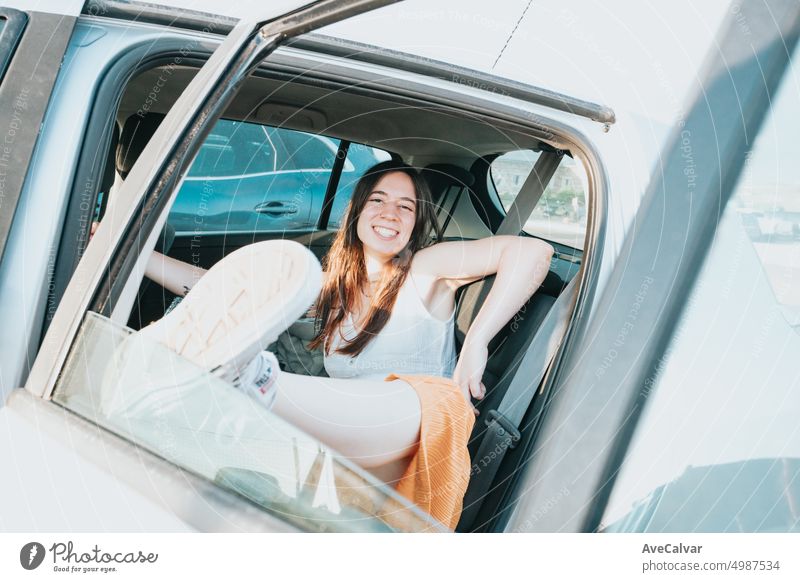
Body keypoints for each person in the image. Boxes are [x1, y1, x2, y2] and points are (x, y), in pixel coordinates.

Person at [111, 160, 554, 528]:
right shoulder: (336, 291)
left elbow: (532, 254)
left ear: (417, 223)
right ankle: (223, 374)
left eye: (406, 207)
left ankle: (245, 378)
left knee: (436, 397)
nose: (390, 214)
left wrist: (477, 341)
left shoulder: (425, 268)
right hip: (355, 456)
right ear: (357, 212)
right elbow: (211, 286)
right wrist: (130, 249)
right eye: (378, 201)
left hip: (414, 438)